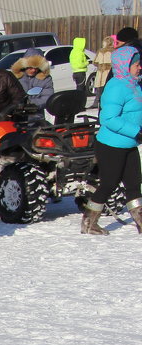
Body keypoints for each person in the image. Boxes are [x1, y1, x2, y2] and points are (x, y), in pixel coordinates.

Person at [83, 44, 142, 235]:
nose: (140, 67)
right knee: (109, 184)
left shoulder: (134, 84)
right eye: (136, 64)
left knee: (134, 184)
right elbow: (108, 119)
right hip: (112, 145)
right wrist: (136, 131)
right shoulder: (116, 87)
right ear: (125, 65)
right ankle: (89, 223)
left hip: (130, 143)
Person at [12, 48, 54, 115]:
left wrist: (31, 104)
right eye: (30, 67)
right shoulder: (14, 77)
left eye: (36, 68)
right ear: (24, 65)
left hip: (37, 116)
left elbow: (47, 97)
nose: (33, 70)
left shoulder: (45, 79)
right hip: (16, 116)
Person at [91, 36, 116, 102]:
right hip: (109, 72)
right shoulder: (114, 51)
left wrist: (101, 65)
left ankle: (97, 101)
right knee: (109, 88)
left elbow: (95, 62)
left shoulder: (100, 51)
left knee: (100, 89)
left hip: (101, 72)